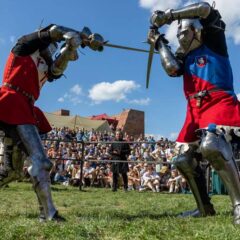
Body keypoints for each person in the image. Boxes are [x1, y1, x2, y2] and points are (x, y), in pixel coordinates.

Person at [148, 1, 240, 224]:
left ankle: (239, 204)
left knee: (211, 145)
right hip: (194, 109)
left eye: (184, 31)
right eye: (178, 34)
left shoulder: (214, 39)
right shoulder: (185, 56)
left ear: (196, 30)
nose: (181, 37)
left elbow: (204, 8)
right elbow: (172, 69)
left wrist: (168, 16)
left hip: (218, 101)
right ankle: (204, 207)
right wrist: (159, 43)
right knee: (183, 159)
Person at [0, 24, 104, 221]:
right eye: (53, 44)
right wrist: (78, 35)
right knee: (41, 161)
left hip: (24, 107)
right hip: (12, 102)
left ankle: (47, 212)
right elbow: (55, 29)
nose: (54, 47)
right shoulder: (25, 45)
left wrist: (73, 47)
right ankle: (48, 214)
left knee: (12, 172)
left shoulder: (46, 66)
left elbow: (57, 69)